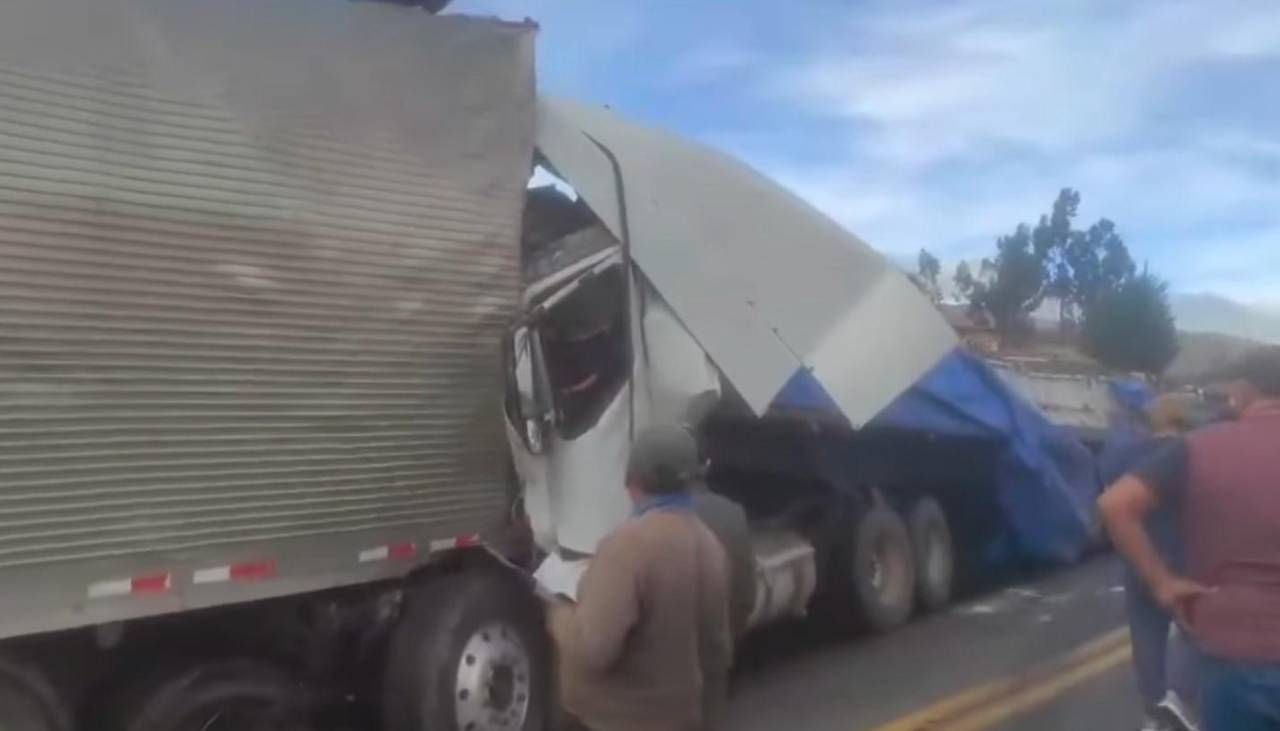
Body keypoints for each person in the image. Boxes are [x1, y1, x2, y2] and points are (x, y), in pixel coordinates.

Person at [1099, 347, 1280, 731]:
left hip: (1235, 647)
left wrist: (1163, 584)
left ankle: (1157, 707)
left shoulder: (1198, 448)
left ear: (1241, 392)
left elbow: (1116, 505)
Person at [546, 424, 733, 731]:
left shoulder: (627, 547)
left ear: (633, 480)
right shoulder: (710, 544)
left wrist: (558, 613)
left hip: (620, 721)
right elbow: (716, 651)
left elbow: (594, 650)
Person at [1099, 395, 1198, 731]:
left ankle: (1154, 711)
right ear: (1182, 422)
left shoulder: (1124, 454)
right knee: (1194, 634)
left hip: (1137, 558)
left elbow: (1107, 488)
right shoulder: (1190, 453)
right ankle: (1179, 701)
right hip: (1181, 559)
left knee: (1146, 637)